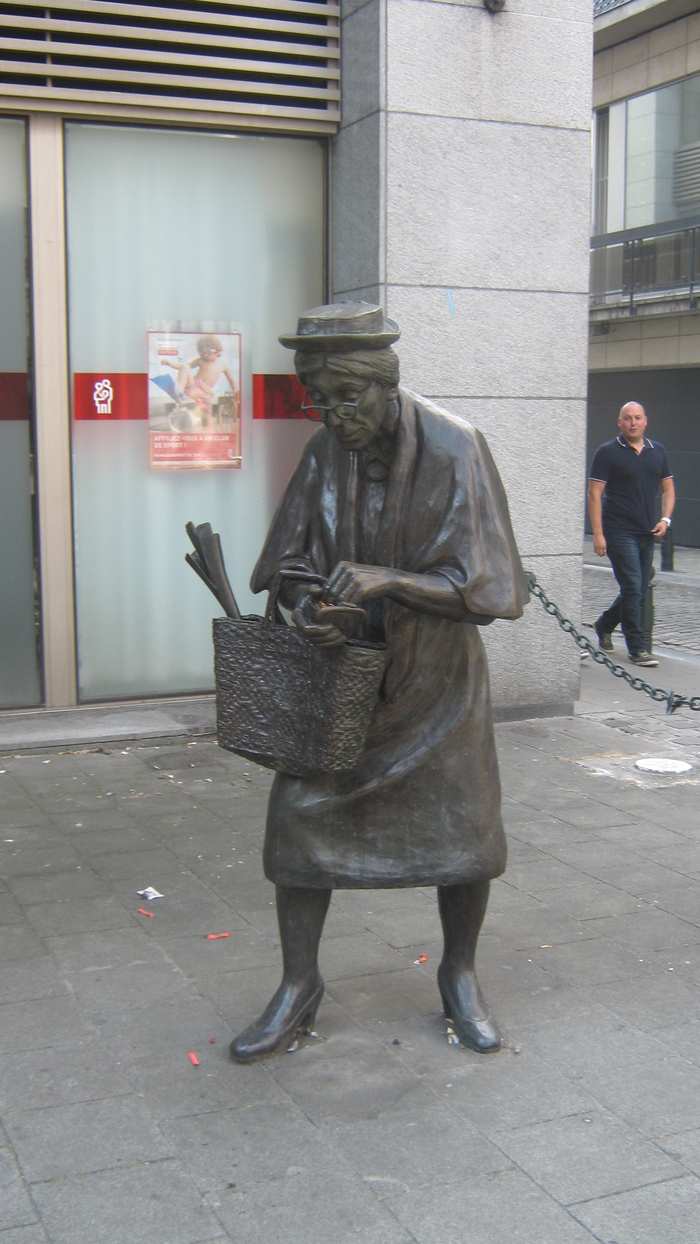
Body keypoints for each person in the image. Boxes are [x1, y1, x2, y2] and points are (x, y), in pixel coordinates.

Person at [229, 302, 530, 1064]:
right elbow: (287, 566)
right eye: (318, 400)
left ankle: (459, 975)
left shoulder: (457, 447)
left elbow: (491, 590)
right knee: (298, 821)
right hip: (345, 687)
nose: (331, 415)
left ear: (383, 385)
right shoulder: (325, 451)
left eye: (345, 398)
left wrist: (390, 582)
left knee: (462, 832)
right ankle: (300, 984)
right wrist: (312, 609)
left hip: (437, 685)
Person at [588, 401, 674, 668]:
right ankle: (637, 649)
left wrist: (665, 519)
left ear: (645, 421)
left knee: (637, 586)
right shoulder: (607, 452)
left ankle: (604, 624)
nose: (633, 423)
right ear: (619, 422)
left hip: (648, 531)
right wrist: (598, 534)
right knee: (633, 587)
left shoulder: (657, 451)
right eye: (628, 418)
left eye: (637, 418)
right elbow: (594, 494)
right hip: (618, 530)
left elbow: (668, 489)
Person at [162, 335, 239, 427]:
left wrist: (235, 391)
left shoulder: (223, 366)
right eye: (202, 353)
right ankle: (179, 393)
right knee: (185, 367)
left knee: (207, 417)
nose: (204, 355)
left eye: (207, 353)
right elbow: (182, 367)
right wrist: (169, 363)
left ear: (218, 351)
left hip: (205, 392)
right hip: (193, 385)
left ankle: (208, 433)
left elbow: (231, 380)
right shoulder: (200, 361)